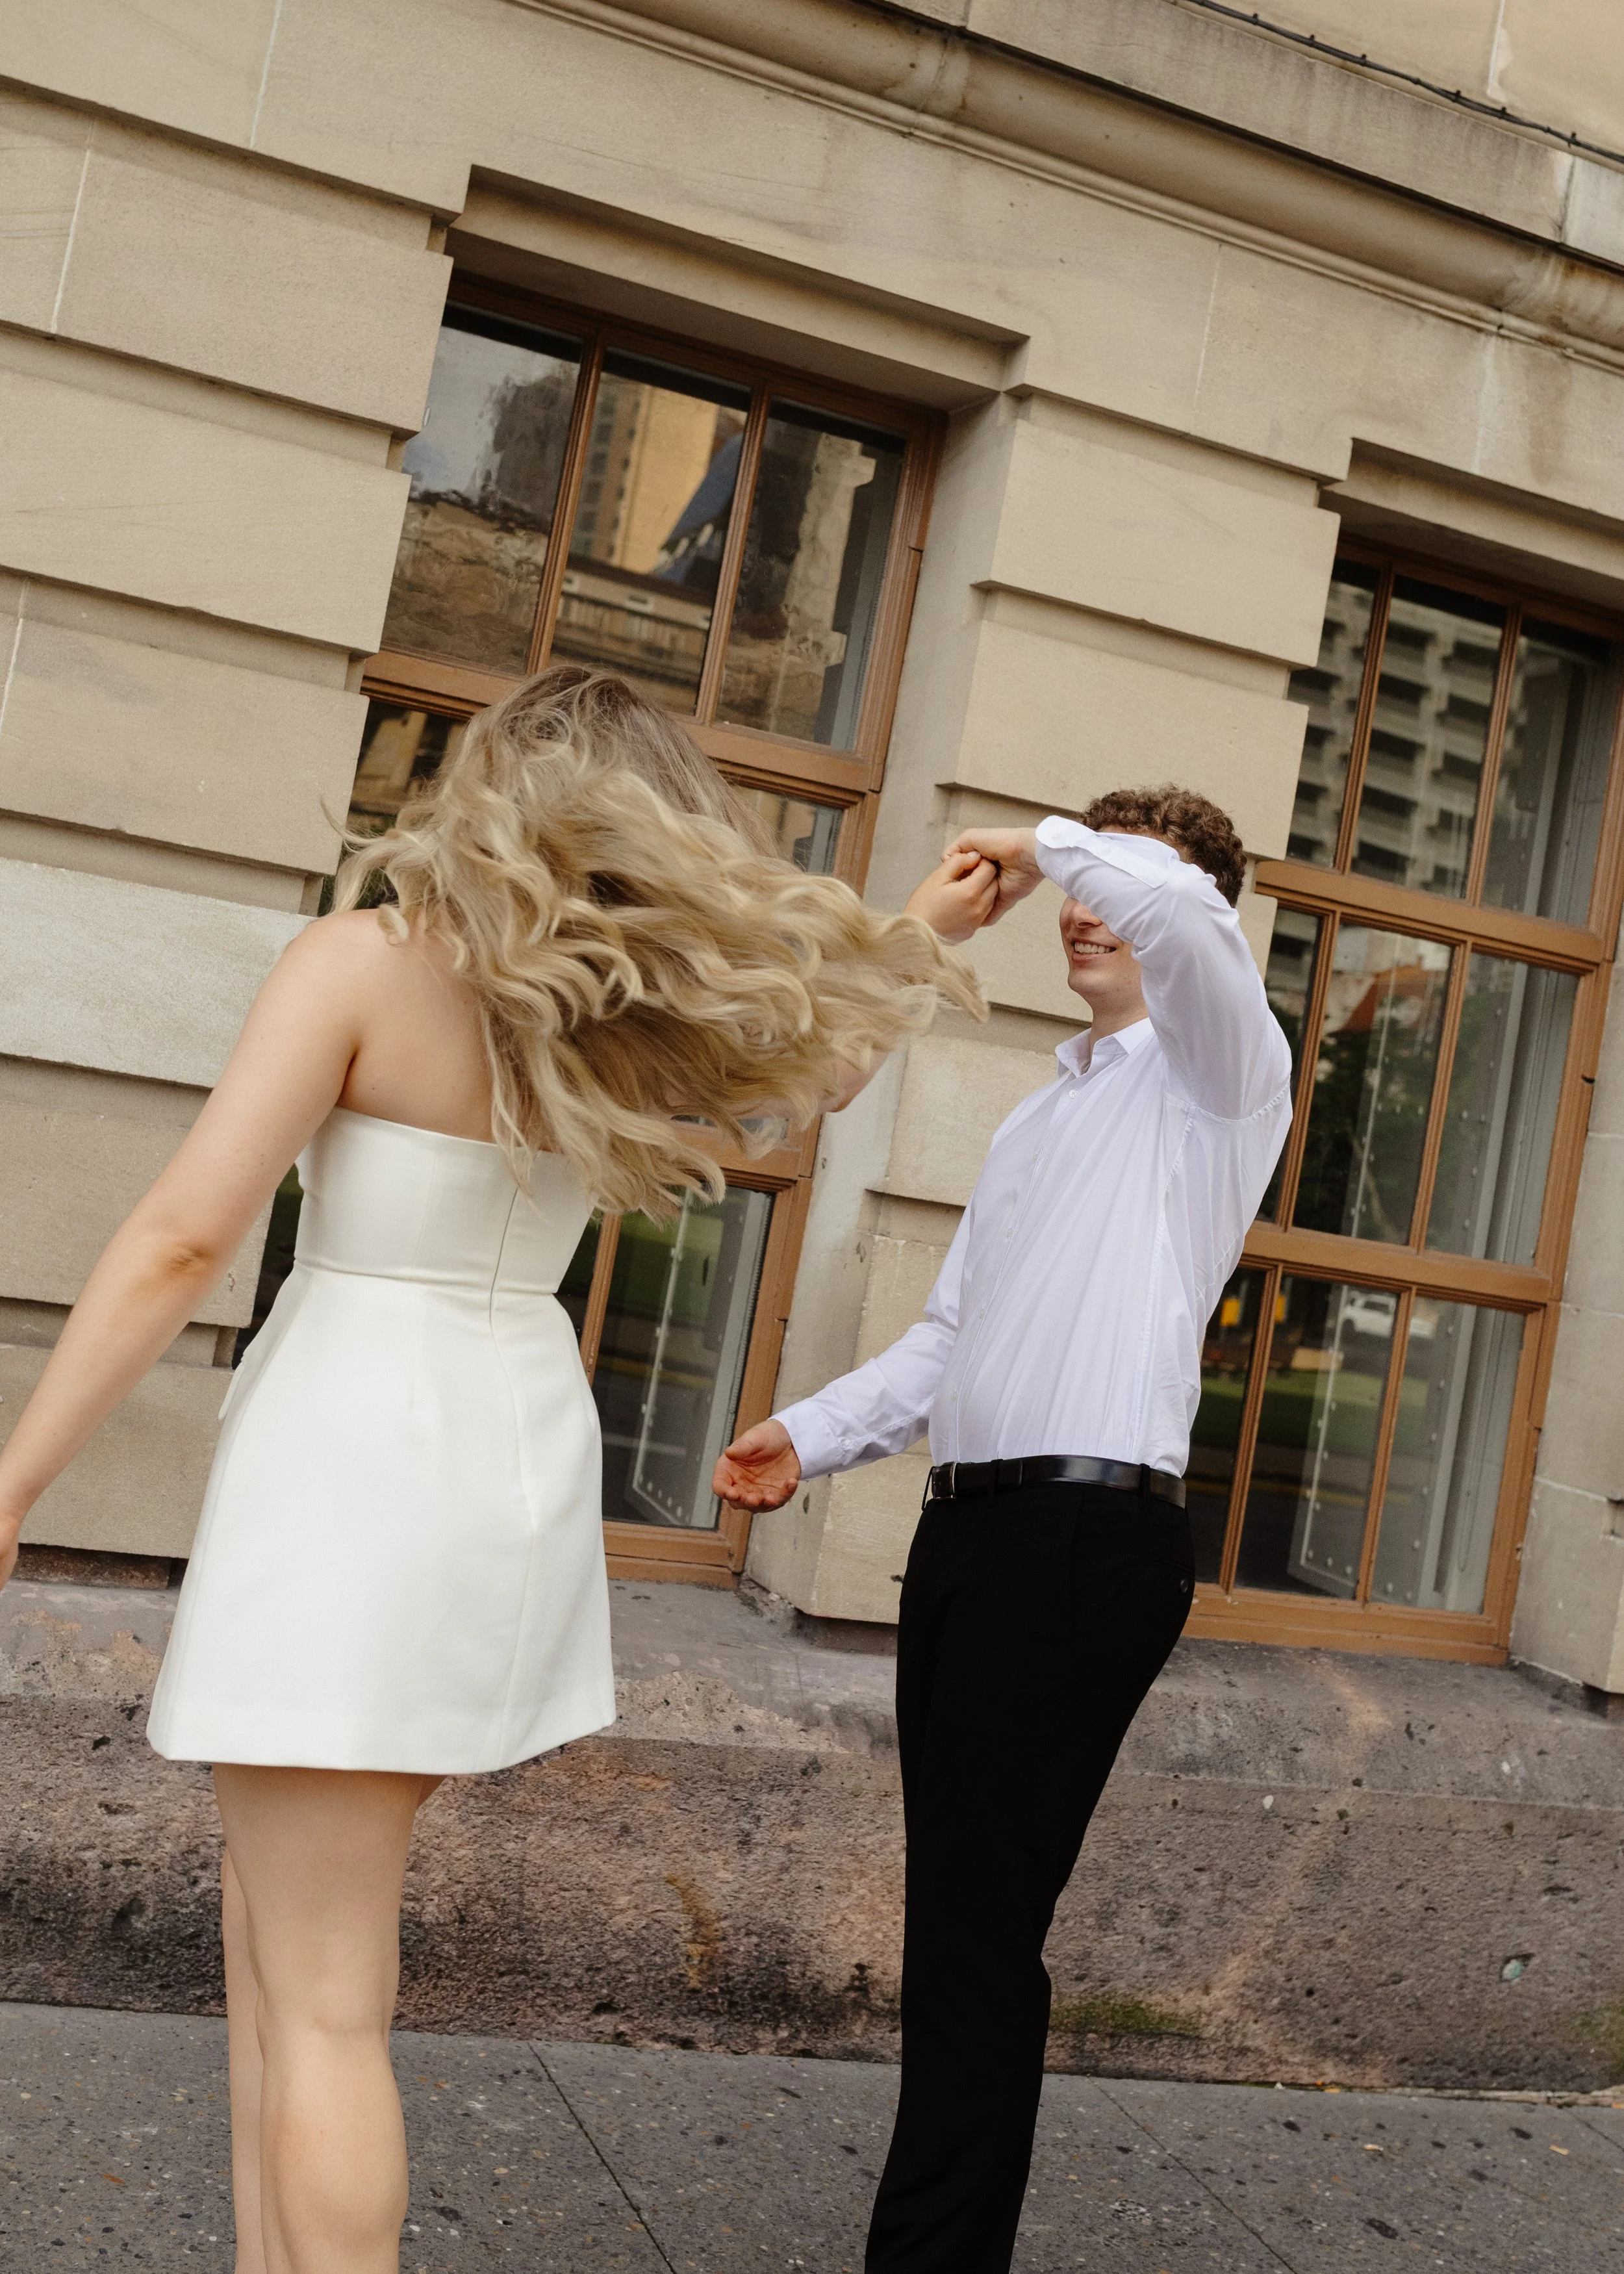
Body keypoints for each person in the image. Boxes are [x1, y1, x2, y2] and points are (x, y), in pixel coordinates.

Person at [0, 666, 981, 2274]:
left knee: (321, 2000)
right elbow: (811, 1072)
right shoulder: (619, 1015)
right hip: (503, 1452)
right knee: (278, 1953)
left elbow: (185, 1235)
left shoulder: (365, 963)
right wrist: (921, 926)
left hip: (353, 1461)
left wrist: (15, 1481)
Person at [715, 786, 1292, 2274]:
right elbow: (948, 1338)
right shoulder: (1044, 1113)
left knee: (976, 1944)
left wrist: (1043, 843)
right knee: (957, 1931)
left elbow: (1183, 917)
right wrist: (810, 1432)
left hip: (1085, 1541)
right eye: (1077, 886)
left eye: (1117, 882)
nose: (1083, 910)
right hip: (973, 1538)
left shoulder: (1223, 1073)